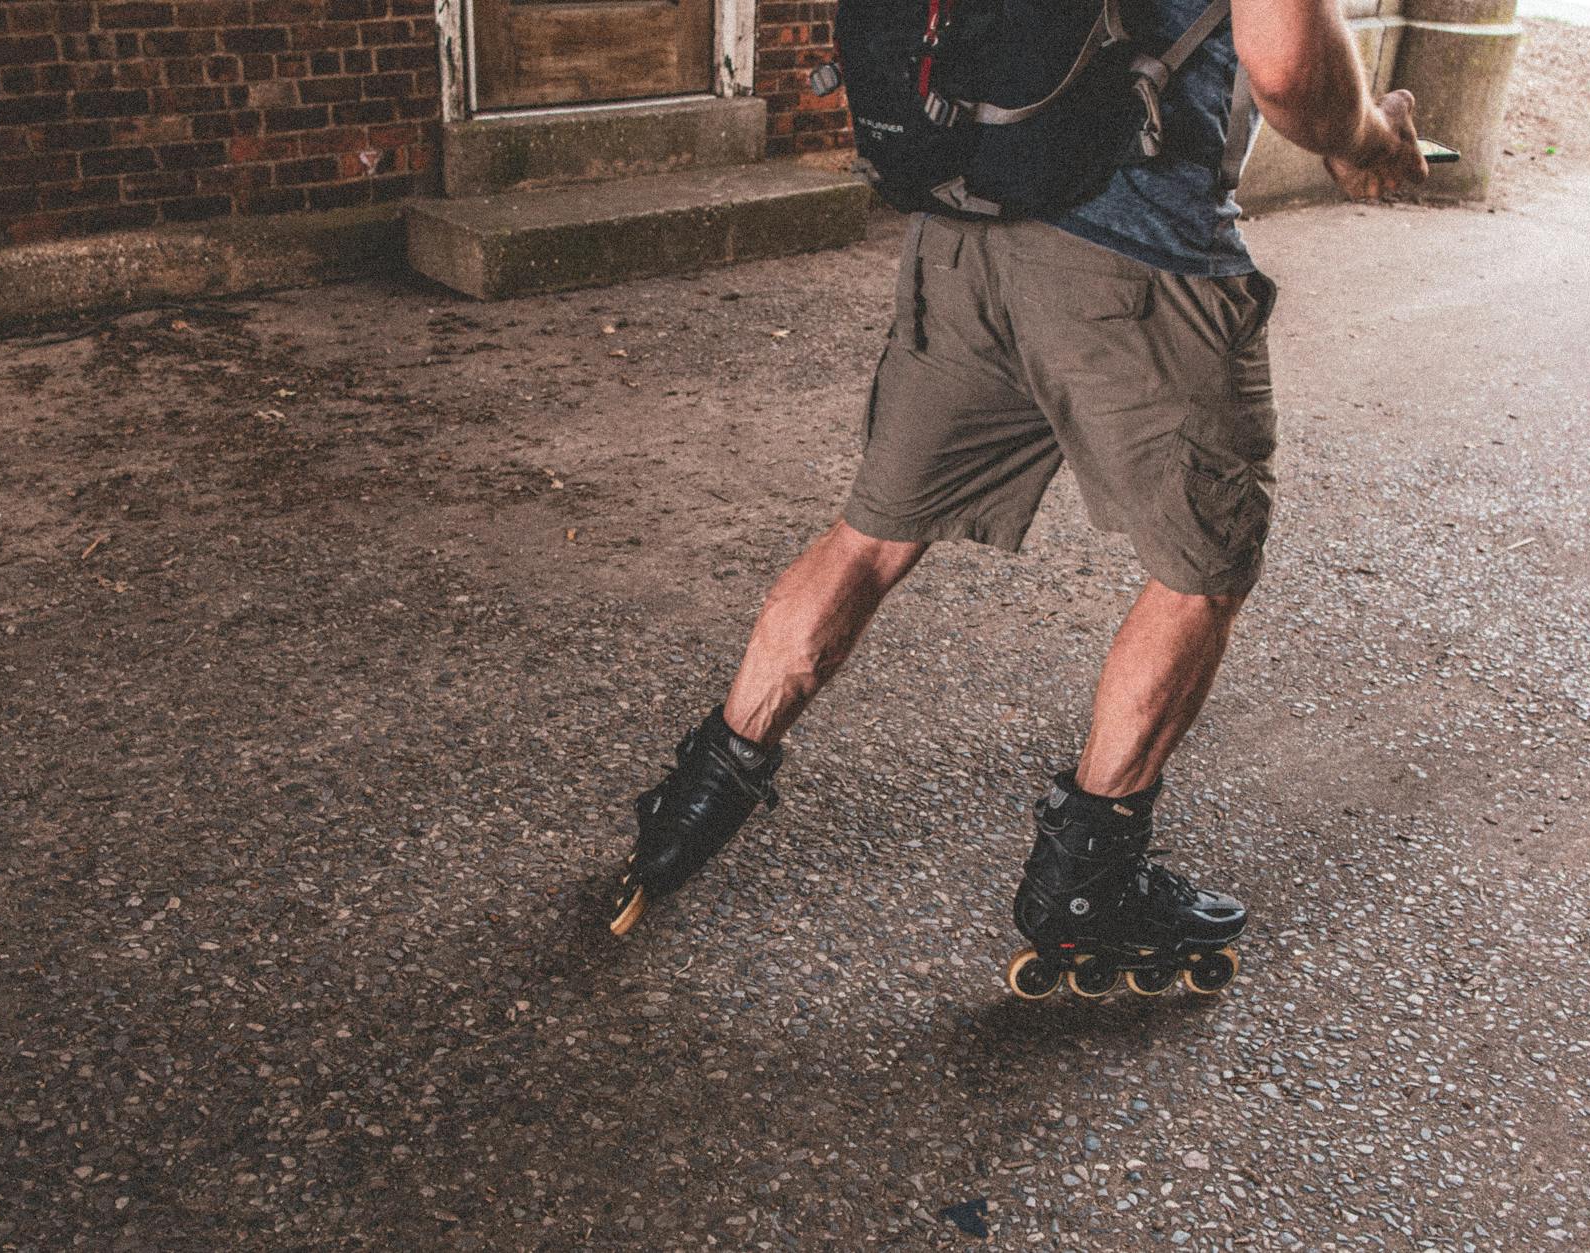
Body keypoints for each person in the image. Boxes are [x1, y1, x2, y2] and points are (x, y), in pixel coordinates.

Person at [606, 0, 1428, 997]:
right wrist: (1370, 140)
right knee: (1198, 572)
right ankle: (1087, 891)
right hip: (1142, 262)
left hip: (964, 232)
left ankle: (683, 816)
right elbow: (1289, 67)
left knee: (869, 536)